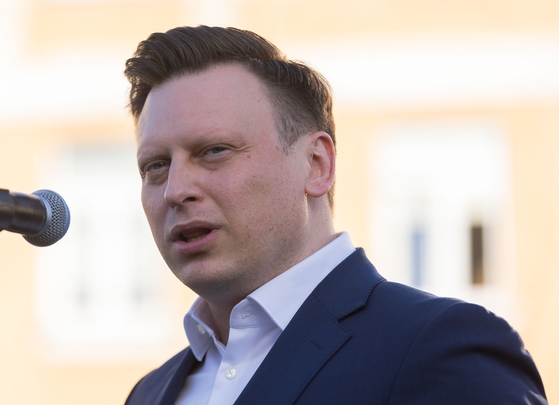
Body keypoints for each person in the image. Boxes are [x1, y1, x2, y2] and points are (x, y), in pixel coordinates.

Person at [123, 26, 546, 405]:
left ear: (316, 165)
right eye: (155, 166)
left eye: (214, 151)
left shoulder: (441, 349)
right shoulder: (150, 393)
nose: (175, 190)